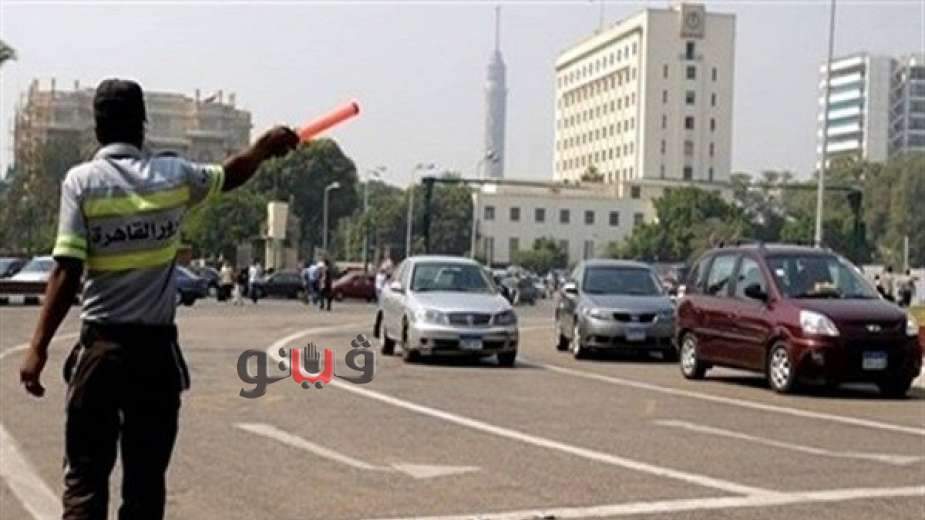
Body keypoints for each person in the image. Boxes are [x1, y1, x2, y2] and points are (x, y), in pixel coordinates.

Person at [17, 79, 298, 520]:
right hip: (155, 357)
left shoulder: (82, 182)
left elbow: (67, 270)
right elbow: (230, 173)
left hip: (100, 352)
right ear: (143, 125)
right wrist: (262, 148)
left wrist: (38, 348)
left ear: (97, 127)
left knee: (85, 481)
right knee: (145, 485)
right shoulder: (174, 177)